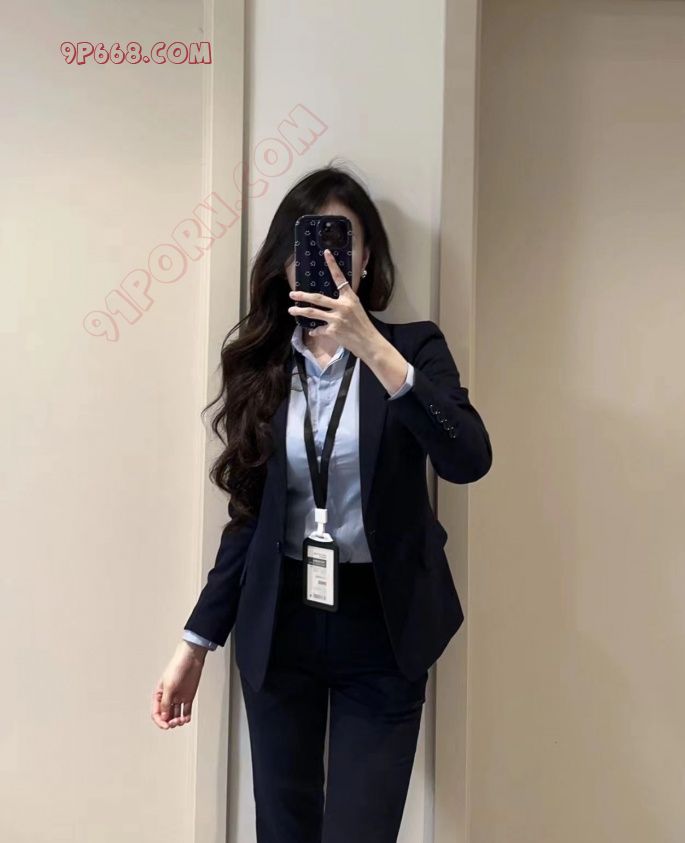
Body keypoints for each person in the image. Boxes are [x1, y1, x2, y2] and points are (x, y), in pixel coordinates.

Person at [151, 164, 492, 842]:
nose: (331, 258)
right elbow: (247, 515)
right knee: (285, 829)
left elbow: (468, 458)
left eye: (346, 241)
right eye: (312, 242)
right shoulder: (261, 363)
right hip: (283, 624)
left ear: (366, 259)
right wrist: (197, 641)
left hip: (384, 626)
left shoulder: (414, 347)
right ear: (287, 260)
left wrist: (375, 349)